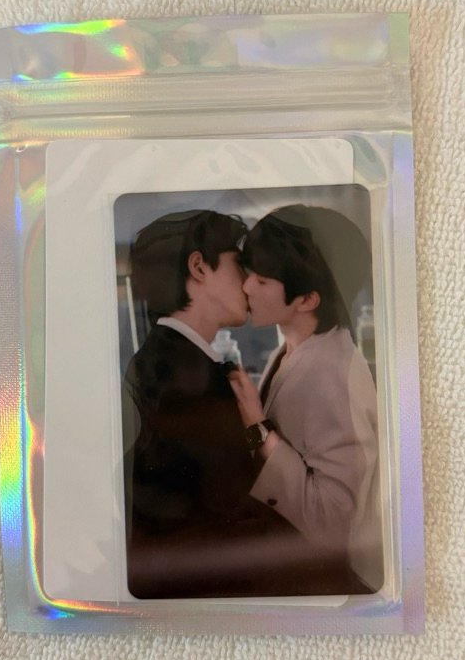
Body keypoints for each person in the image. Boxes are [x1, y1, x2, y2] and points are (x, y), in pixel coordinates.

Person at [122, 209, 337, 599]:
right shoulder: (183, 376)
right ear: (199, 267)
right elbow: (236, 510)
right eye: (238, 265)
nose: (249, 281)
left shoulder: (171, 361)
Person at [227, 206, 383, 593]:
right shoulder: (296, 348)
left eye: (262, 280)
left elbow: (333, 524)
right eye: (250, 272)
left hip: (330, 584)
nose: (246, 287)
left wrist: (258, 428)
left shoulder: (332, 376)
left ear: (308, 299)